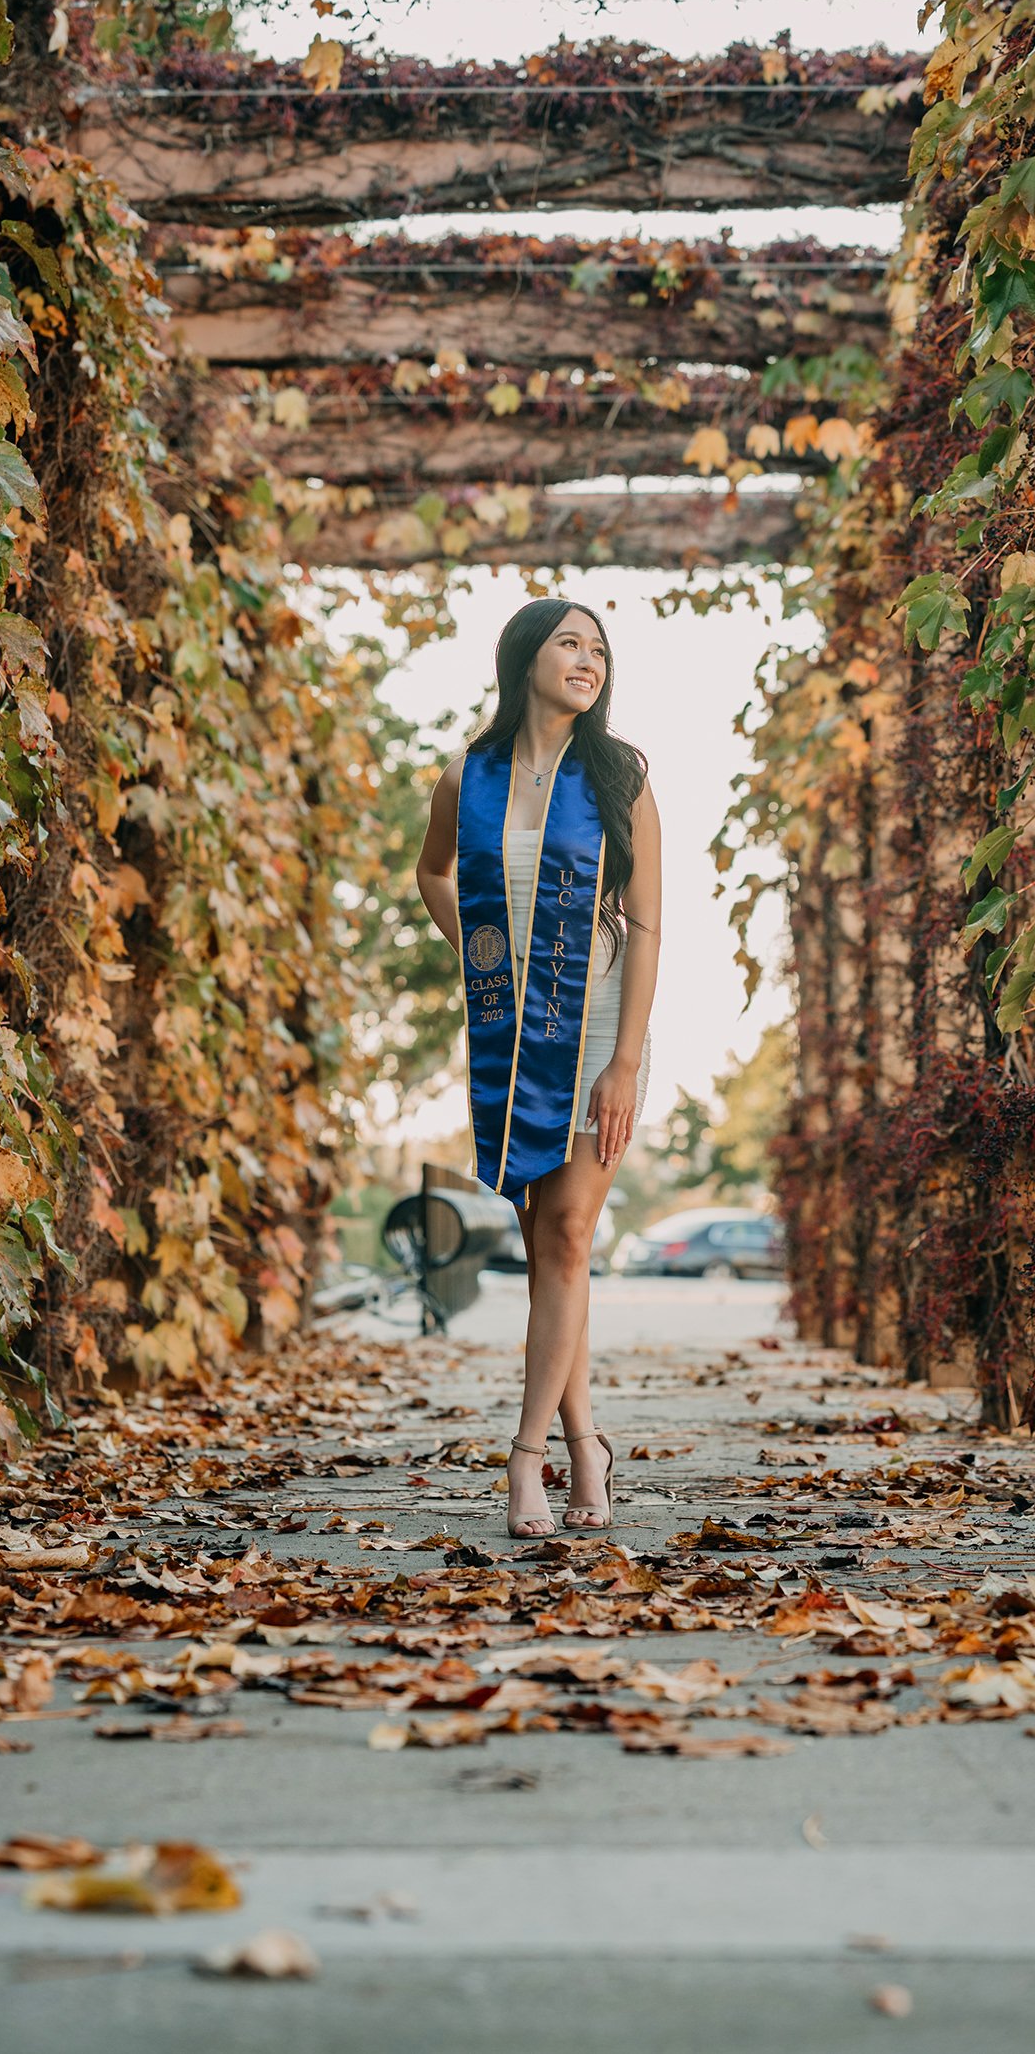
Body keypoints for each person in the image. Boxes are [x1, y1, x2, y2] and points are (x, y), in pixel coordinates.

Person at [416, 600, 661, 1538]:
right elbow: (434, 874)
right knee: (549, 1249)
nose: (588, 659)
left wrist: (626, 1062)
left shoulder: (619, 775)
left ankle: (525, 1461)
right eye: (570, 642)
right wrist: (473, 953)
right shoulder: (465, 777)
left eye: (600, 648)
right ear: (524, 657)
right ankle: (587, 1443)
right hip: (511, 1034)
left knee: (565, 1236)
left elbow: (646, 928)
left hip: (598, 1030)